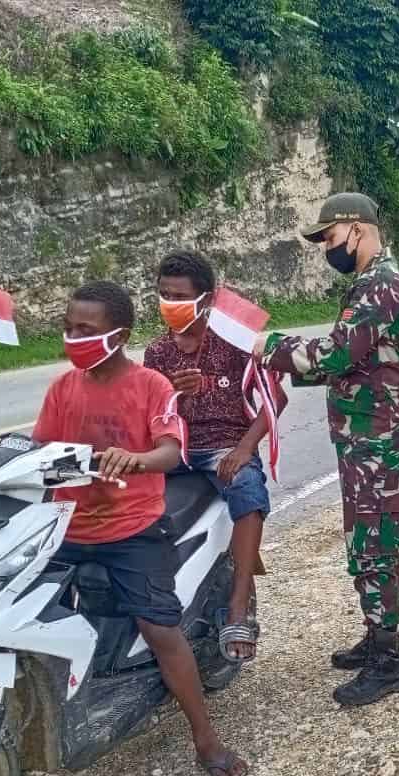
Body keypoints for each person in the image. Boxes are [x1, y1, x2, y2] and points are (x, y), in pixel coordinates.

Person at [0, 281, 249, 776]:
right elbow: (40, 452)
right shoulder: (64, 388)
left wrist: (136, 460)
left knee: (161, 631)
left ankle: (207, 741)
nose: (73, 337)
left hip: (131, 529)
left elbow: (169, 451)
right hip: (67, 527)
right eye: (69, 328)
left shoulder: (150, 385)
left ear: (121, 334)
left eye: (85, 330)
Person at [261, 192, 399, 707]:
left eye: (329, 238)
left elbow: (333, 356)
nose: (327, 248)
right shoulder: (370, 283)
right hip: (364, 433)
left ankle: (389, 661)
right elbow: (352, 364)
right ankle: (376, 636)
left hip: (377, 436)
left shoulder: (379, 285)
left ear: (356, 229)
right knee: (364, 536)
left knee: (373, 541)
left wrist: (268, 347)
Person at [144, 250, 275, 664]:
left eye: (179, 295)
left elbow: (274, 399)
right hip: (175, 448)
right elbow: (149, 411)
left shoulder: (235, 343)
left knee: (248, 489)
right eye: (164, 294)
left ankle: (238, 606)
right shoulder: (158, 353)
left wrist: (243, 449)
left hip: (223, 445)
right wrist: (171, 391)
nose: (170, 303)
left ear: (204, 299)